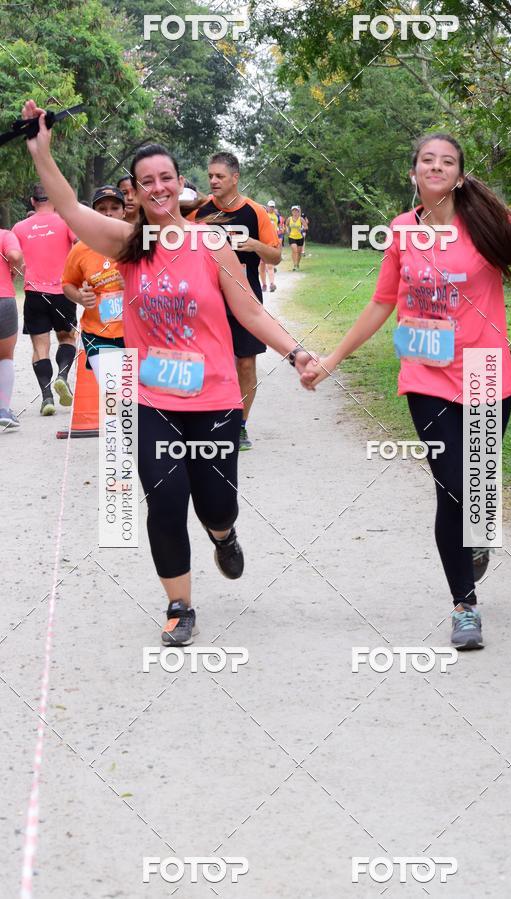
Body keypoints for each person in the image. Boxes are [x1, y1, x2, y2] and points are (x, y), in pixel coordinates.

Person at [21, 99, 317, 647]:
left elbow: (250, 311)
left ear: (180, 184)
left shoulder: (210, 243)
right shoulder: (127, 245)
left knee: (216, 504)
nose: (157, 188)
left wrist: (296, 353)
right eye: (146, 182)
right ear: (134, 193)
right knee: (164, 500)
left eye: (165, 178)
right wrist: (41, 151)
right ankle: (179, 605)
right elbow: (66, 206)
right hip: (153, 398)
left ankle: (223, 535)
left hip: (215, 398)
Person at [302, 132, 511, 651]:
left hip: (485, 373)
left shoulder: (488, 225)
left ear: (460, 176)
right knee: (452, 484)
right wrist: (332, 359)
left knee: (478, 488)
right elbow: (382, 302)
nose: (436, 167)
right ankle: (464, 606)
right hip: (426, 373)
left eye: (447, 161)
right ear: (414, 173)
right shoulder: (402, 231)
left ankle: (478, 535)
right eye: (427, 160)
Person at [188, 153, 282, 451]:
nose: (213, 181)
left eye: (220, 176)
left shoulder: (255, 212)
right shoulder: (199, 211)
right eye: (210, 176)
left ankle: (239, 425)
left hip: (246, 297)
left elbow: (276, 256)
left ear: (235, 178)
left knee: (245, 363)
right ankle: (207, 420)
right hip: (207, 299)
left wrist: (254, 245)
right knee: (206, 363)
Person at [12, 184, 77, 415]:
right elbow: (80, 244)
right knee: (67, 337)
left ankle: (47, 397)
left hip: (34, 294)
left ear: (32, 201)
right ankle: (62, 376)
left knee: (40, 347)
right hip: (63, 292)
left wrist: (20, 272)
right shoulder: (67, 222)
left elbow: (14, 258)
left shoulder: (19, 228)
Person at [62, 186, 126, 380]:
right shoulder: (81, 249)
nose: (108, 213)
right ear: (93, 214)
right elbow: (67, 284)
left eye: (114, 208)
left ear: (124, 212)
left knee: (135, 394)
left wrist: (134, 283)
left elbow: (162, 283)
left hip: (137, 332)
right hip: (98, 334)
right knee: (115, 391)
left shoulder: (139, 244)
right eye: (102, 208)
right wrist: (79, 297)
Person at [0, 228, 24, 428]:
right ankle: (3, 410)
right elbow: (15, 256)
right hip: (3, 298)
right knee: (5, 356)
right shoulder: (4, 235)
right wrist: (14, 270)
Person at [260, 201, 280, 293]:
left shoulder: (274, 219)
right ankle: (264, 284)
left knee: (270, 265)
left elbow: (275, 232)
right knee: (262, 266)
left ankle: (272, 284)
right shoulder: (258, 221)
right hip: (261, 245)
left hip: (270, 244)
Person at [286, 205, 305, 271]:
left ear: (298, 212)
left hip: (300, 237)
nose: (295, 212)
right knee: (294, 250)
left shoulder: (301, 219)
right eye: (293, 211)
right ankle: (294, 265)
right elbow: (286, 225)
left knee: (299, 253)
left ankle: (297, 264)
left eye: (296, 211)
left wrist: (302, 229)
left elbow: (306, 227)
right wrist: (287, 230)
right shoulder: (289, 219)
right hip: (292, 237)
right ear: (292, 212)